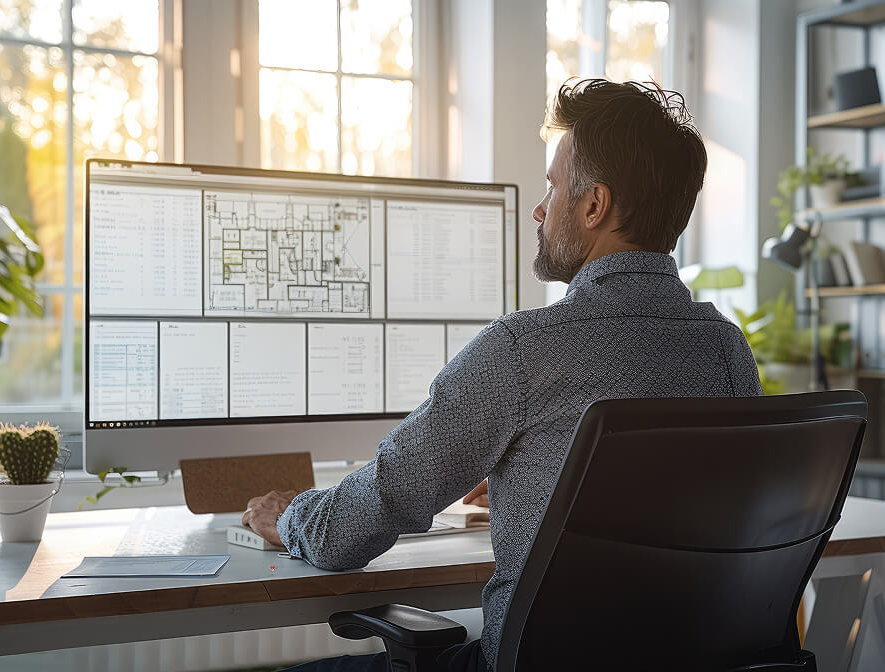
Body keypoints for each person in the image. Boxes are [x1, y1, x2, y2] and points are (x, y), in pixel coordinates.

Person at [243, 78, 762, 672]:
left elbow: (366, 516)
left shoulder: (522, 351)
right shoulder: (726, 351)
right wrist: (543, 480)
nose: (541, 210)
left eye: (553, 188)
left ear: (594, 205)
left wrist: (291, 516)